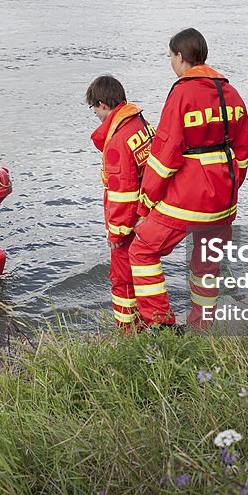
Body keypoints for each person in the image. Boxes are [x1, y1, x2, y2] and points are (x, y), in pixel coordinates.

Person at [128, 28, 248, 329]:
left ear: (180, 56)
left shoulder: (182, 93)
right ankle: (201, 326)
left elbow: (164, 156)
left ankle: (160, 325)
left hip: (187, 200)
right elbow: (243, 154)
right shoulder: (232, 93)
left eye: (171, 56)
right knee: (206, 265)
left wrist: (146, 203)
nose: (171, 61)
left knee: (142, 249)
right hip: (224, 200)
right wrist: (227, 187)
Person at [87, 75, 155, 330]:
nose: (94, 113)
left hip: (129, 224)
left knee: (122, 279)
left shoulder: (117, 141)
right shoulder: (141, 124)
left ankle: (128, 333)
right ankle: (152, 322)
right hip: (147, 216)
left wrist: (116, 234)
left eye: (93, 107)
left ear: (103, 104)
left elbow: (122, 194)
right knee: (144, 276)